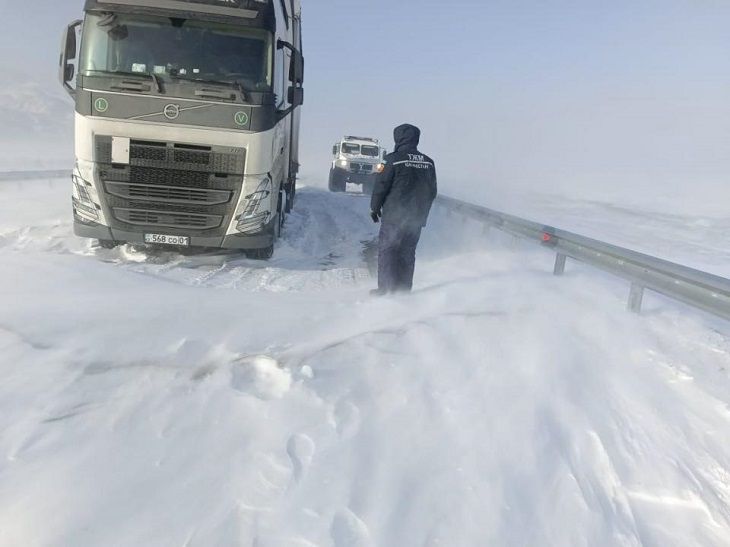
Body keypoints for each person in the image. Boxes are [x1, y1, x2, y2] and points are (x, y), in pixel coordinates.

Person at [370, 123, 438, 295]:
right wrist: (422, 212)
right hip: (416, 217)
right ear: (416, 138)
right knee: (407, 253)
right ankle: (403, 290)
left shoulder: (392, 159)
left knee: (388, 250)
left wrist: (375, 208)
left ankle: (386, 289)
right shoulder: (429, 163)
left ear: (398, 138)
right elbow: (432, 191)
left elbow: (381, 186)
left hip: (394, 216)